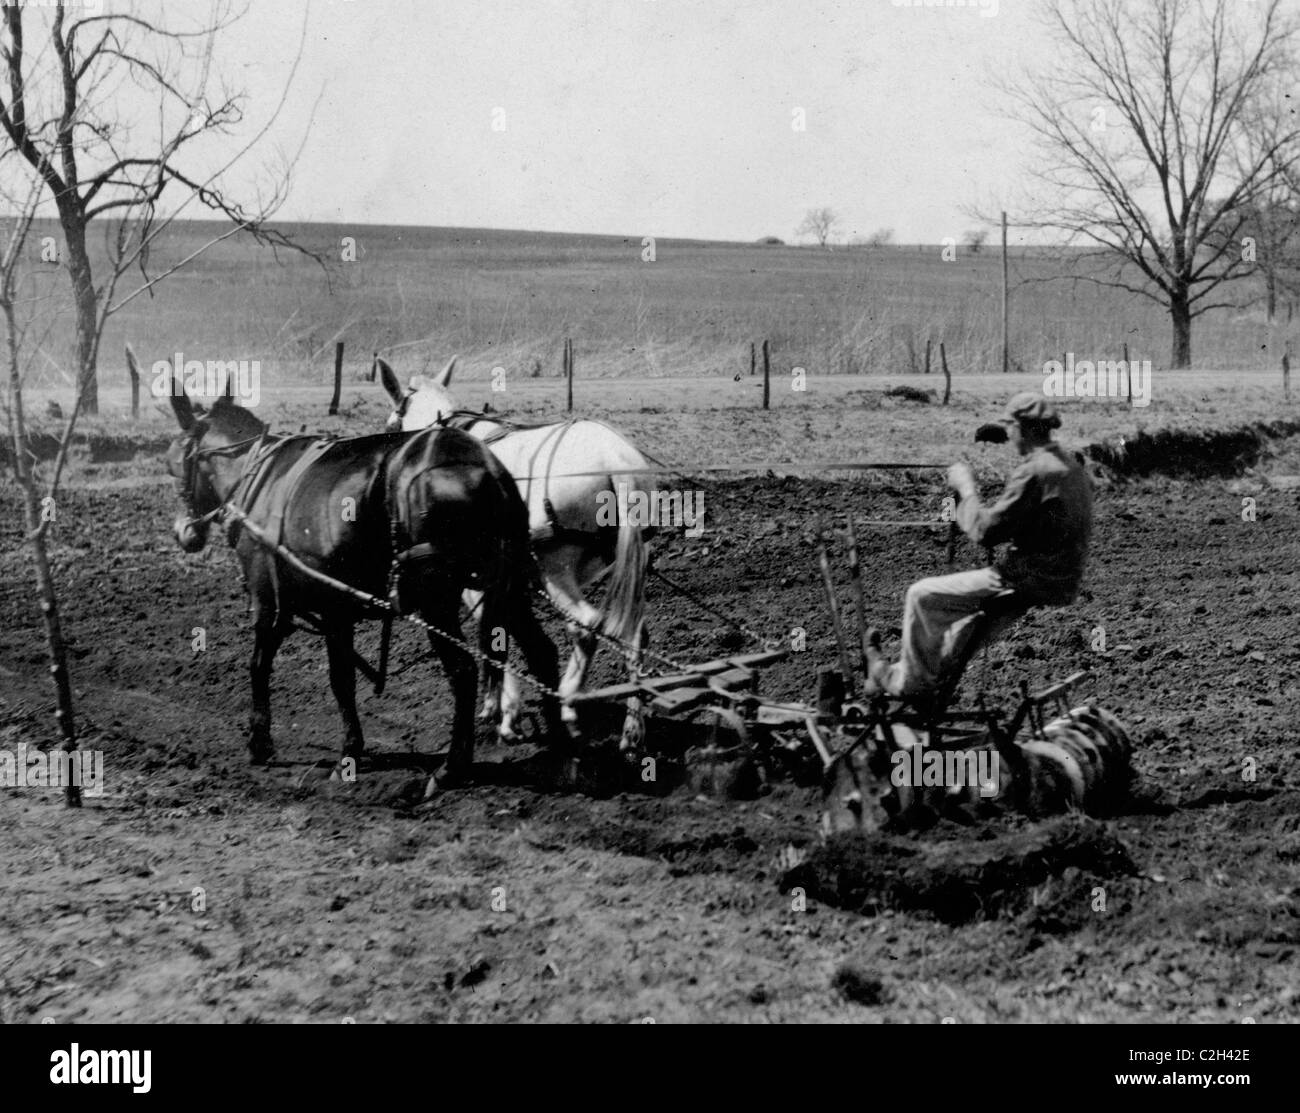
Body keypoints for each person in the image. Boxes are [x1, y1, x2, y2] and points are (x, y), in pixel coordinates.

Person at [864, 392, 1093, 702]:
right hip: (1061, 579)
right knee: (962, 630)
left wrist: (966, 489)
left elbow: (986, 531)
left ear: (1020, 429)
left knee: (921, 595)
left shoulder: (1035, 471)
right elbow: (1043, 516)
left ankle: (910, 684)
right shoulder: (1070, 465)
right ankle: (917, 681)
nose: (1008, 435)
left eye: (1009, 428)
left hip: (1023, 577)